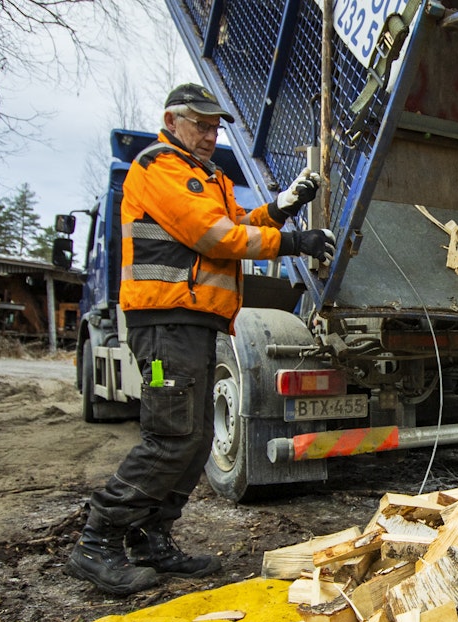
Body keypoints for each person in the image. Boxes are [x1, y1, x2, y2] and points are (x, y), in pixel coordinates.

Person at [66, 84, 336, 595]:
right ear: (172, 119)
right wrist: (293, 241)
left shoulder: (206, 178)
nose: (211, 135)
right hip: (165, 324)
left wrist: (280, 206)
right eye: (201, 125)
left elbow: (237, 225)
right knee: (170, 437)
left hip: (194, 322)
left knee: (192, 440)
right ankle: (96, 542)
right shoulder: (160, 169)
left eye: (216, 127)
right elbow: (215, 239)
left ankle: (151, 538)